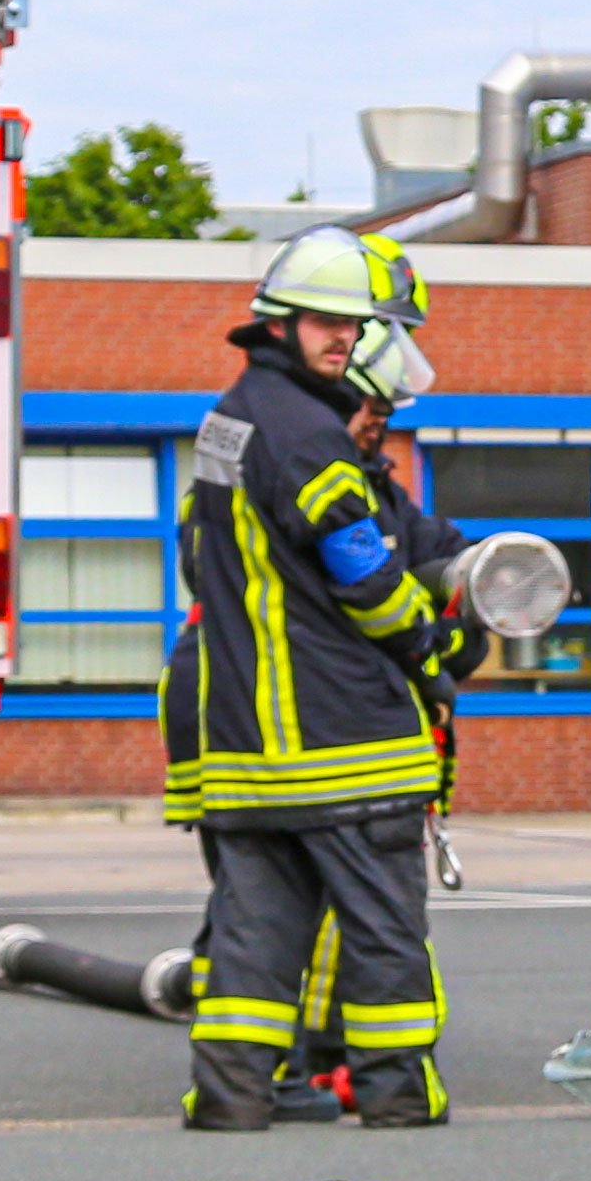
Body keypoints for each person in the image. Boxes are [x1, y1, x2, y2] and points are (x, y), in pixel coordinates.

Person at [165, 229, 473, 1128]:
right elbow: (368, 579)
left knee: (254, 936)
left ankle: (231, 1096)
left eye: (357, 329)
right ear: (282, 322)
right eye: (330, 327)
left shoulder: (236, 415)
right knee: (382, 931)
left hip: (250, 750)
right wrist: (435, 650)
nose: (345, 344)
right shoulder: (310, 437)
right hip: (346, 740)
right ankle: (396, 1094)